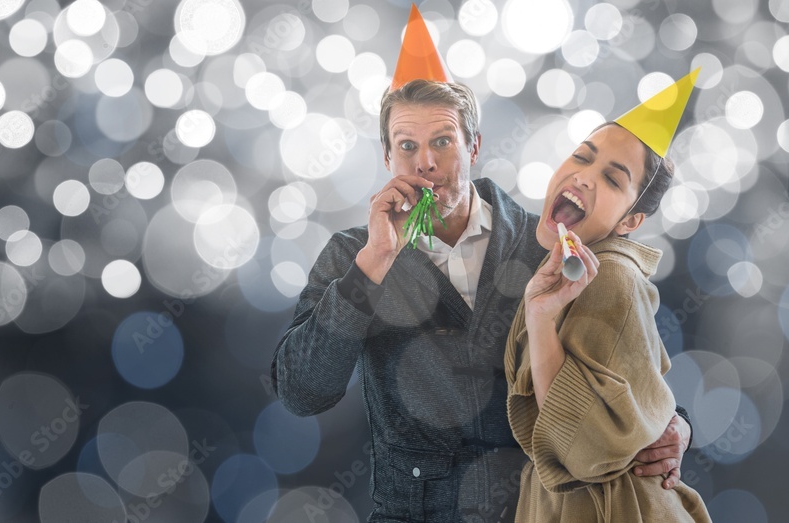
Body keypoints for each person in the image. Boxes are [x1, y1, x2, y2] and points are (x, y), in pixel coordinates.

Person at [272, 5, 694, 522]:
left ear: (474, 145)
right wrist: (374, 264)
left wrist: (678, 425)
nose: (425, 162)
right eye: (407, 146)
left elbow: (628, 365)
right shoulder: (353, 256)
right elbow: (301, 391)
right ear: (387, 158)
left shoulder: (550, 244)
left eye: (443, 141)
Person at [505, 71, 711, 522]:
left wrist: (676, 424)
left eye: (613, 180)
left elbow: (581, 445)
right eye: (581, 156)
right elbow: (631, 380)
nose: (582, 177)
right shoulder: (553, 253)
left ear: (629, 222)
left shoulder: (611, 275)